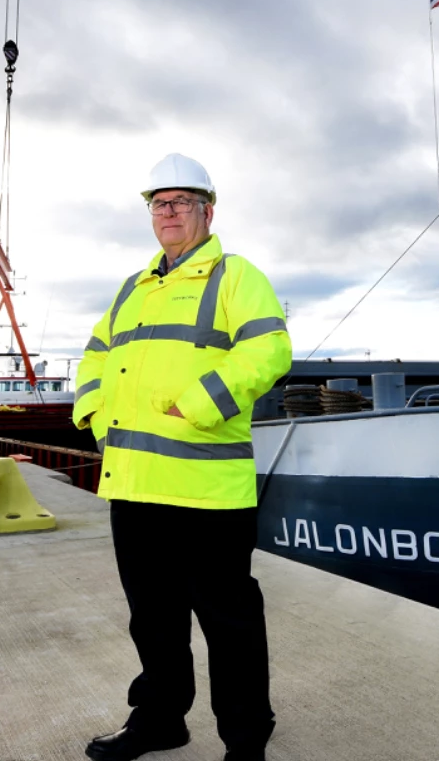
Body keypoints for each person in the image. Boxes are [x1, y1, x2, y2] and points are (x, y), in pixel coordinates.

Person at [73, 154, 292, 761]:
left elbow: (269, 350)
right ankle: (160, 719)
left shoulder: (235, 275)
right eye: (158, 204)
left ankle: (246, 741)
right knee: (153, 619)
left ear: (207, 211)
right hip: (135, 484)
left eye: (181, 202)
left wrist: (196, 406)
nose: (168, 213)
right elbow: (93, 355)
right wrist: (91, 412)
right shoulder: (133, 287)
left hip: (206, 489)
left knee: (230, 623)